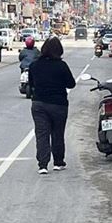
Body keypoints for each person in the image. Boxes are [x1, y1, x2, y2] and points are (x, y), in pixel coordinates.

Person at [29, 37, 76, 175]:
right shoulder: (61, 66)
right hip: (58, 104)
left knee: (41, 134)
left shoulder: (34, 65)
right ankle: (58, 162)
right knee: (57, 133)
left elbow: (31, 84)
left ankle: (42, 165)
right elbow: (71, 84)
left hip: (39, 104)